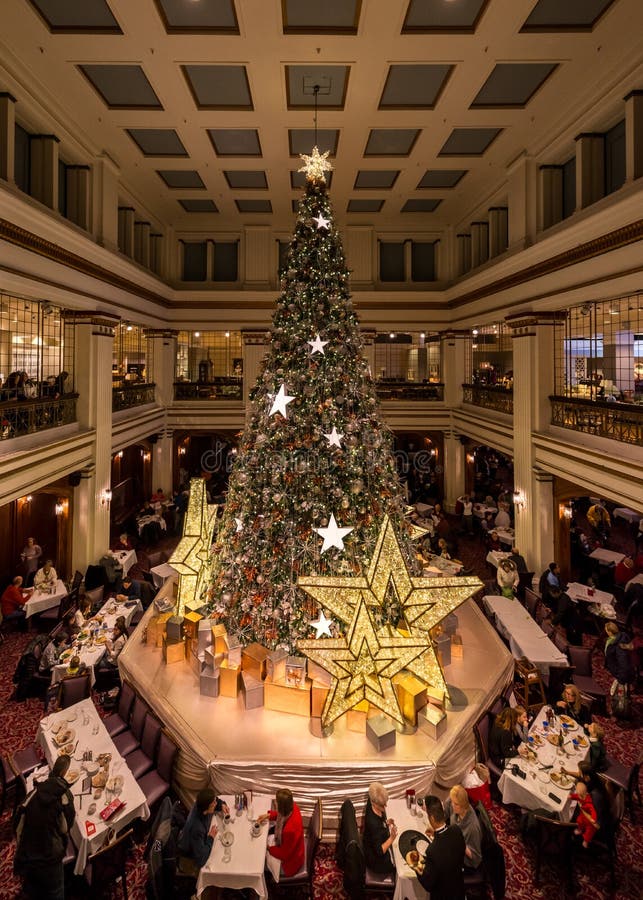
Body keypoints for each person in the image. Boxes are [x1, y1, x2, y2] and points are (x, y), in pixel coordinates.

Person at [14, 754, 75, 900]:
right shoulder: (63, 797)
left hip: (27, 854)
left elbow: (17, 825)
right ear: (63, 774)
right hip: (49, 858)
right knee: (56, 891)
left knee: (35, 888)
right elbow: (65, 828)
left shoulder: (33, 793)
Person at [409, 795, 465, 900]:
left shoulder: (432, 850)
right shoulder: (456, 830)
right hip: (459, 890)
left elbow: (428, 884)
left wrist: (415, 865)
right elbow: (452, 850)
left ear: (432, 818)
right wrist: (435, 834)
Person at [177, 787, 228, 875]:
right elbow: (200, 860)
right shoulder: (196, 828)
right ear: (206, 809)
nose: (216, 803)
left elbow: (215, 800)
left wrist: (221, 805)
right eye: (213, 804)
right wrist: (211, 837)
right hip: (189, 858)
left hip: (197, 840)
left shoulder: (201, 804)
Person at [257, 787, 305, 877]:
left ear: (281, 806)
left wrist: (268, 848)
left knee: (260, 860)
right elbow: (281, 815)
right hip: (296, 850)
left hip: (291, 863)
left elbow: (284, 854)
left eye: (277, 802)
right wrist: (268, 815)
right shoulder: (293, 806)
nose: (276, 803)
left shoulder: (289, 831)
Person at [443, 785, 482, 870]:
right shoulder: (454, 803)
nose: (452, 805)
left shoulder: (472, 828)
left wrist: (459, 841)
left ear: (464, 805)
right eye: (452, 802)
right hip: (452, 841)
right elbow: (444, 815)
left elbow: (476, 858)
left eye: (456, 804)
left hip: (464, 859)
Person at [362, 781, 397, 875]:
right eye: (382, 805)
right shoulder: (374, 824)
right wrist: (392, 838)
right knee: (399, 861)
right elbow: (380, 851)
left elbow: (379, 821)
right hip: (376, 861)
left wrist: (385, 822)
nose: (385, 806)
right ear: (373, 802)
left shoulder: (371, 800)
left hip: (371, 843)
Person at [604, 621, 634, 696]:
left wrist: (620, 679)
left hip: (621, 673)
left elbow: (623, 663)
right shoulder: (616, 638)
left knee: (621, 696)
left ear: (610, 632)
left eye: (606, 630)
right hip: (619, 669)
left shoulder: (618, 646)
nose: (606, 632)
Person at [570, 780, 598, 848]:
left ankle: (586, 841)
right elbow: (576, 796)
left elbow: (593, 811)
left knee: (589, 832)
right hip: (583, 816)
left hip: (589, 821)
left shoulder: (588, 802)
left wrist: (593, 819)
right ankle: (580, 830)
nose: (578, 795)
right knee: (579, 821)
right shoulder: (580, 796)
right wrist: (571, 796)